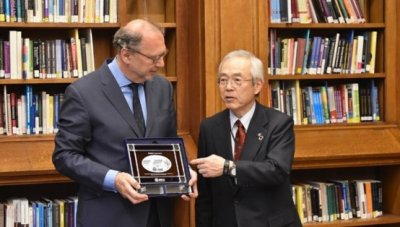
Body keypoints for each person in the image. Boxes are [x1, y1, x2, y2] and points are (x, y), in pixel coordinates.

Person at [53, 19, 197, 227]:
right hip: (109, 215)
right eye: (154, 58)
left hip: (156, 215)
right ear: (126, 54)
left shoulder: (162, 88)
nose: (161, 64)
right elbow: (65, 156)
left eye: (163, 56)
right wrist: (114, 179)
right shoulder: (83, 93)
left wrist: (183, 171)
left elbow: (168, 143)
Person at [191, 50, 301, 227]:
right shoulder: (209, 127)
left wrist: (228, 167)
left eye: (237, 80)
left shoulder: (278, 123)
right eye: (223, 80)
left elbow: (276, 170)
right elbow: (205, 195)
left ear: (257, 86)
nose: (228, 87)